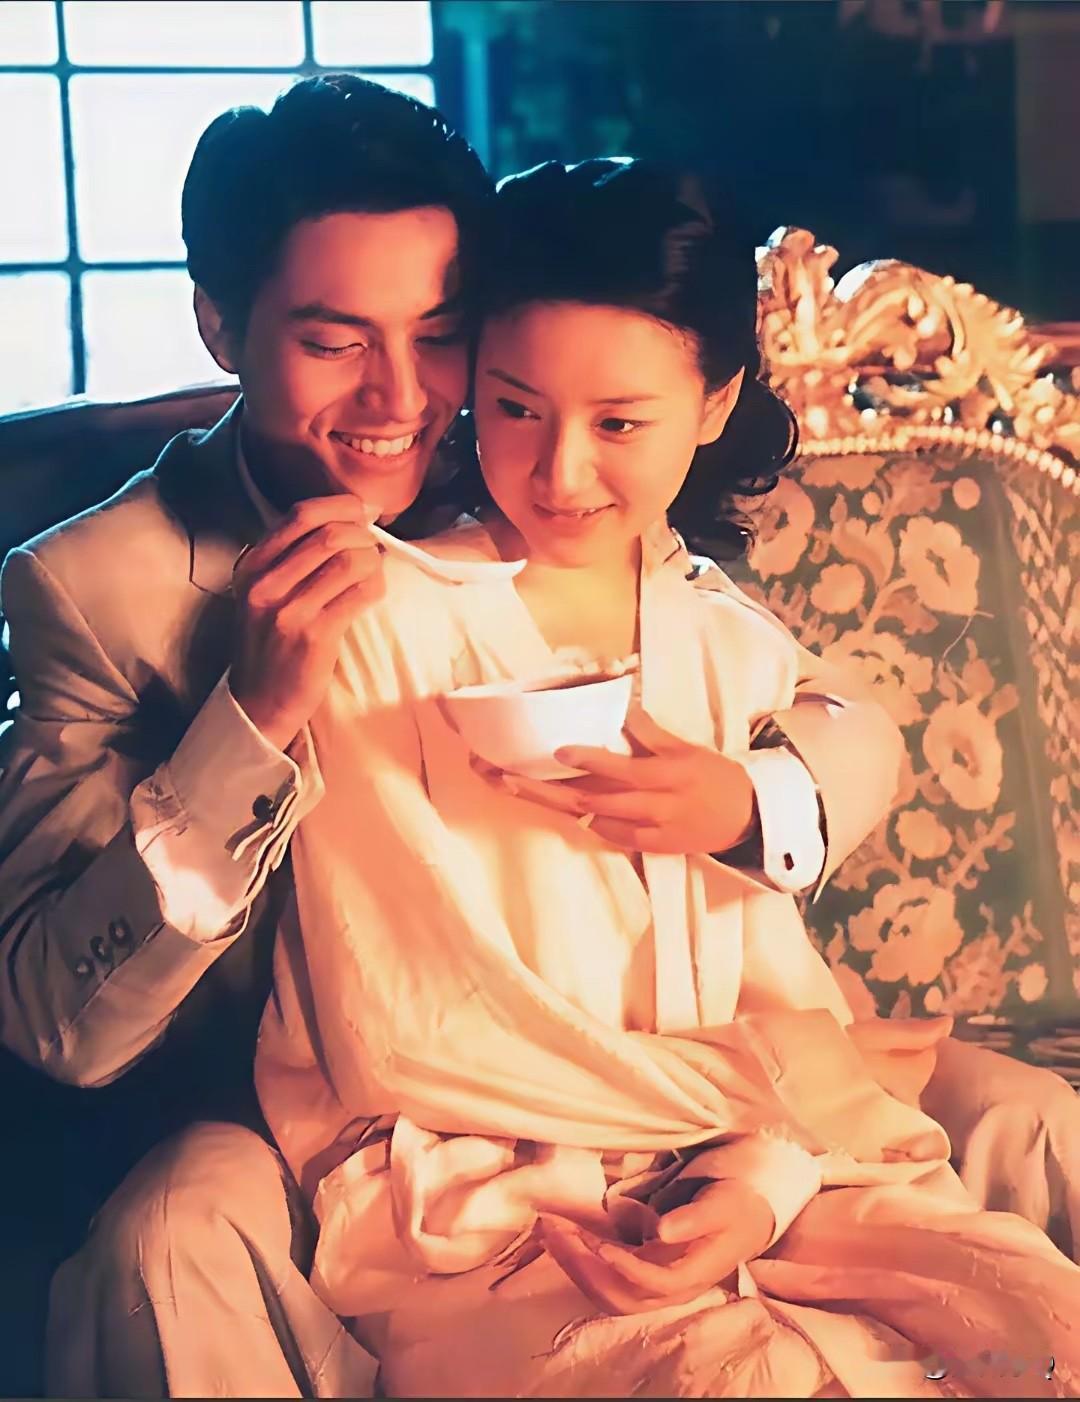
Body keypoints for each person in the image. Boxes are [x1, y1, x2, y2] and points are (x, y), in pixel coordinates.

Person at [0, 76, 1069, 1397]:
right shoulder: (101, 587)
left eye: (439, 335)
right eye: (334, 341)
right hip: (312, 1101)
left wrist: (751, 802)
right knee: (167, 1245)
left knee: (1030, 1136)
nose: (401, 398)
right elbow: (57, 1019)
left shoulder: (523, 449)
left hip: (653, 1044)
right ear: (221, 323)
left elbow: (807, 693)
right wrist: (251, 718)